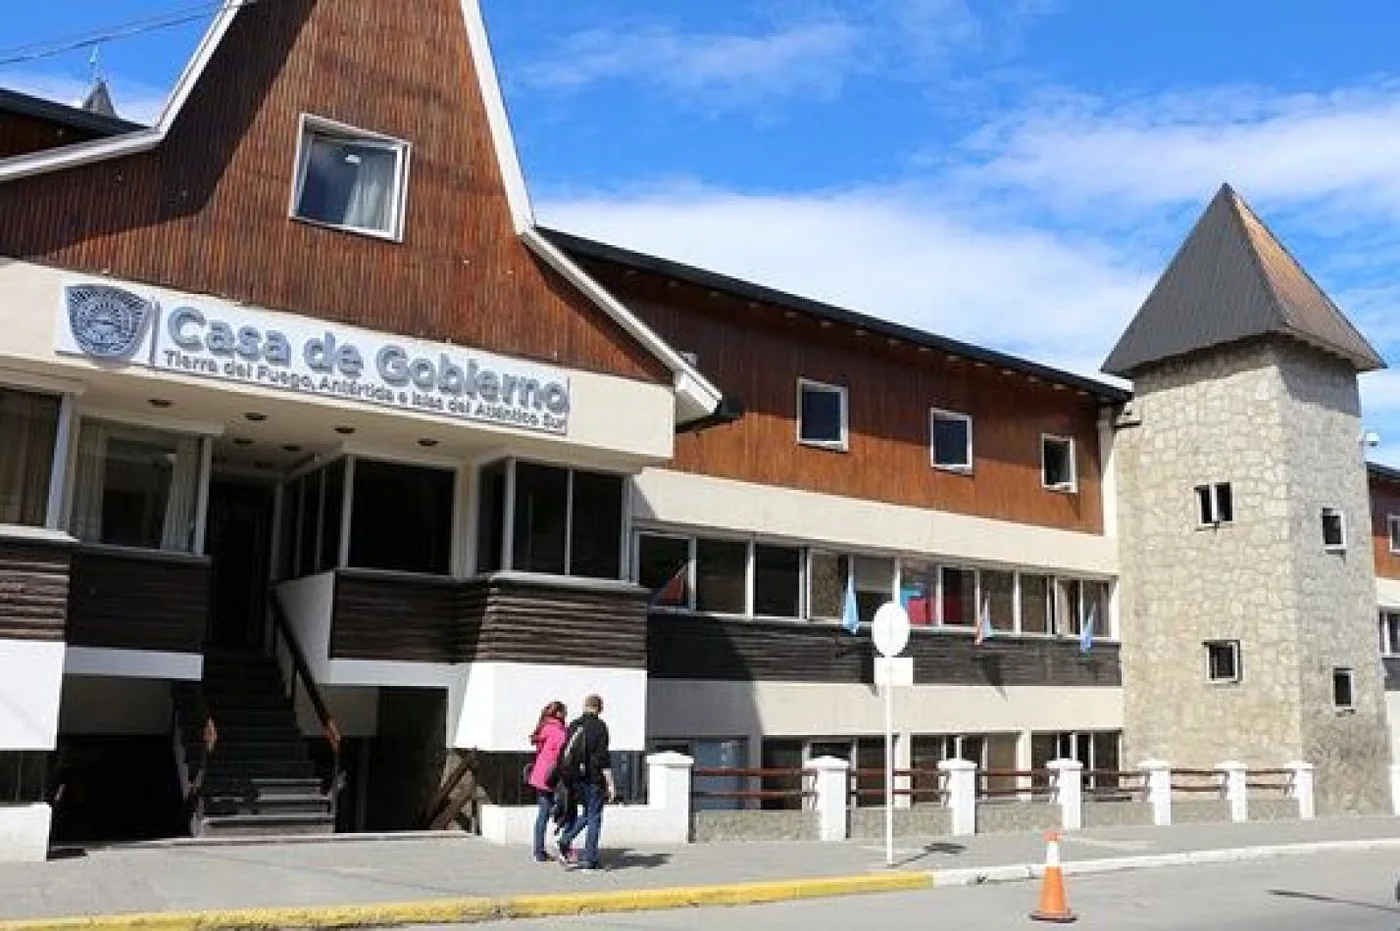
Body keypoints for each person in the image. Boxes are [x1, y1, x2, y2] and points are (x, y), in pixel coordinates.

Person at [555, 694, 614, 870]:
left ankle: (566, 839)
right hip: (594, 778)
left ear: (584, 706)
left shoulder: (574, 725)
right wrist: (610, 783)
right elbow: (603, 758)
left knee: (588, 813)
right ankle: (590, 858)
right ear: (600, 708)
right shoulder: (600, 727)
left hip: (576, 779)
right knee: (595, 817)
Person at [526, 701, 568, 863]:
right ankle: (565, 846)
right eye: (565, 712)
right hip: (552, 778)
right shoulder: (558, 731)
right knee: (564, 812)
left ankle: (538, 851)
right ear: (558, 713)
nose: (566, 715)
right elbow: (563, 755)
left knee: (543, 814)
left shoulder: (544, 727)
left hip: (540, 776)